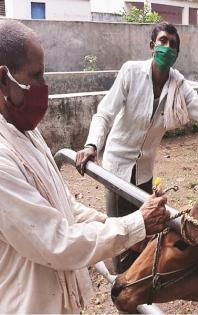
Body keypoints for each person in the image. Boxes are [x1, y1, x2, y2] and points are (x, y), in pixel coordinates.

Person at [76, 22, 198, 273]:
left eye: (173, 44)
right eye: (163, 41)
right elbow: (104, 113)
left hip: (144, 172)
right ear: (151, 46)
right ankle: (122, 287)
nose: (167, 47)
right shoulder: (131, 73)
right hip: (117, 170)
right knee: (120, 234)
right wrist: (92, 145)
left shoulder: (178, 86)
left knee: (143, 229)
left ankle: (138, 285)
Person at [0, 20, 170, 313]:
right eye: (36, 76)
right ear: (3, 79)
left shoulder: (25, 131)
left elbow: (63, 204)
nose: (44, 86)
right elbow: (56, 242)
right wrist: (133, 224)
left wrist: (117, 228)